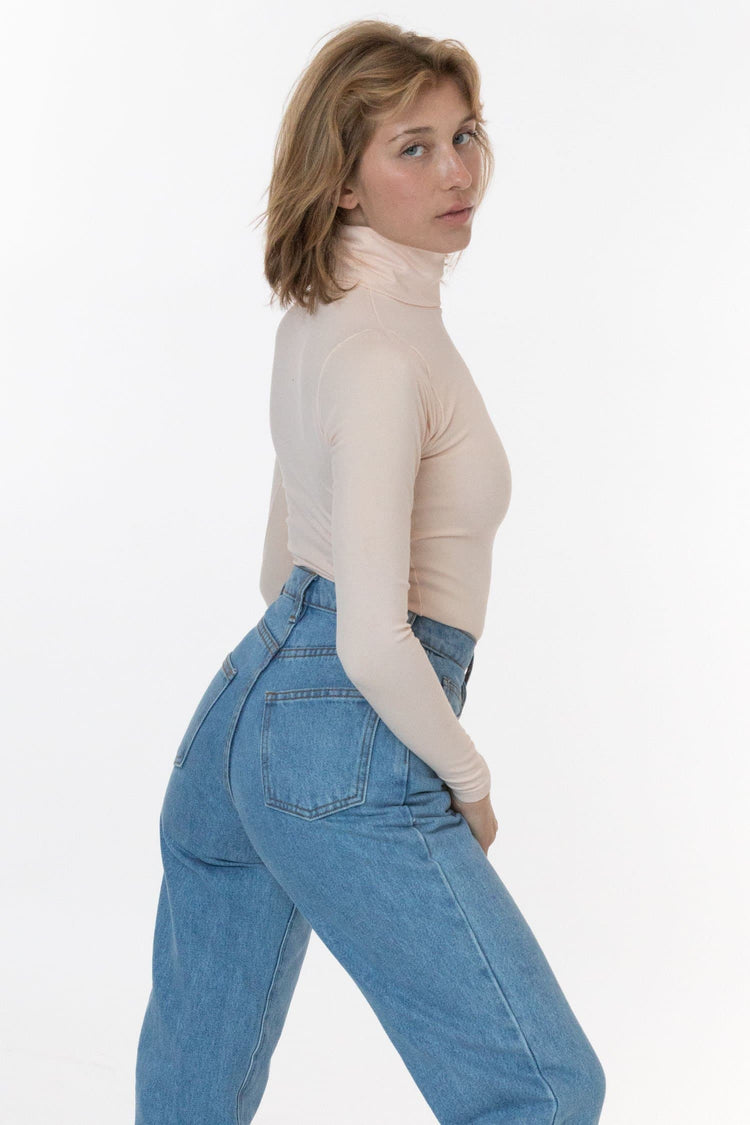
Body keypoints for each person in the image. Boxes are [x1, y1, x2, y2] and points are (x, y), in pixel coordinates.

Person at [135, 19, 606, 1124]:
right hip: (348, 717)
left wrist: (291, 731)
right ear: (343, 181)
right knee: (542, 1090)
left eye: (465, 135)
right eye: (414, 147)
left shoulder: (323, 321)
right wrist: (467, 783)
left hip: (248, 704)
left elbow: (284, 561)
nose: (457, 172)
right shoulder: (387, 352)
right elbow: (370, 637)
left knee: (195, 1091)